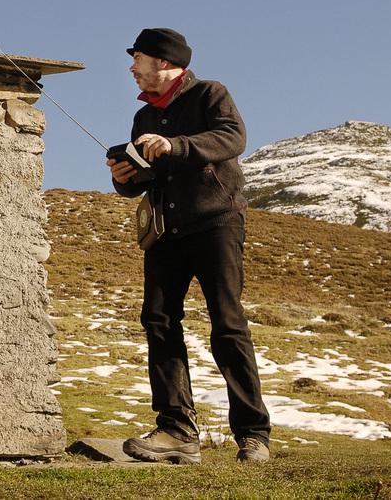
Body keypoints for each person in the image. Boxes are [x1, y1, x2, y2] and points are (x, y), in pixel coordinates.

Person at [107, 28, 271, 464]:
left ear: (163, 61)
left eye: (138, 58)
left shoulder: (210, 93)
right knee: (158, 321)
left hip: (217, 221)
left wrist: (175, 145)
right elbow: (148, 172)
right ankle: (176, 430)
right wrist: (126, 178)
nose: (132, 68)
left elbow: (232, 138)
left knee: (227, 322)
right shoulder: (144, 118)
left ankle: (253, 435)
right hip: (166, 230)